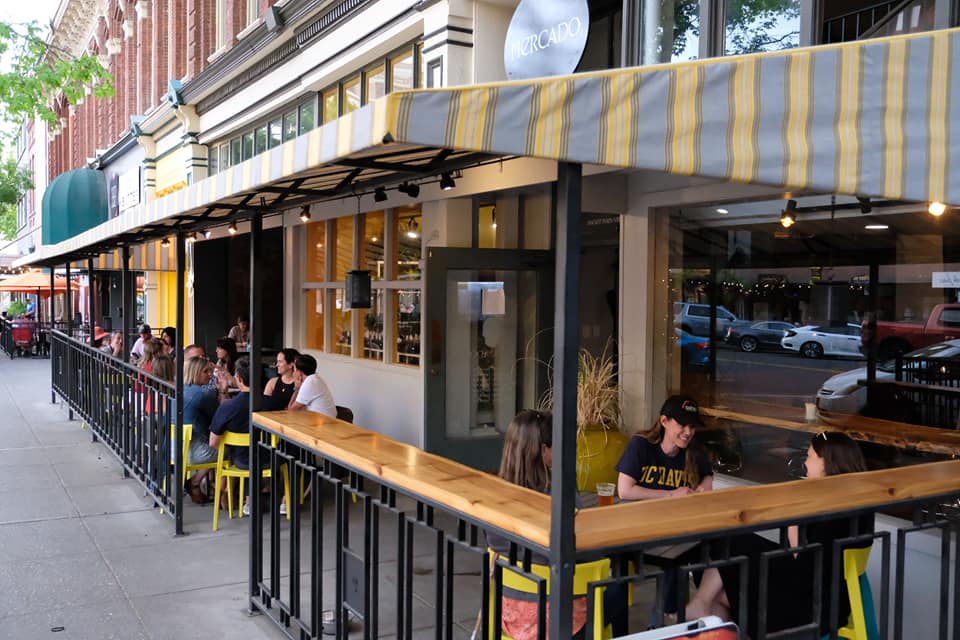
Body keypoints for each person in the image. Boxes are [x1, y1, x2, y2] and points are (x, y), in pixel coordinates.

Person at [686, 432, 872, 637]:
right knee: (730, 552)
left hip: (807, 610)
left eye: (809, 457)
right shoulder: (858, 501)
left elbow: (802, 565)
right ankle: (701, 603)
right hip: (835, 601)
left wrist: (794, 526)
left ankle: (700, 603)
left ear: (826, 462)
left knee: (728, 547)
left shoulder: (828, 508)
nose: (806, 464)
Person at [487, 410, 627, 640]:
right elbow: (582, 548)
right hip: (558, 620)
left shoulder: (493, 493)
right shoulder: (560, 493)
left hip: (509, 613)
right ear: (543, 450)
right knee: (619, 587)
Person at [615, 394, 713, 621]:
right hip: (636, 529)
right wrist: (670, 495)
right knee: (671, 558)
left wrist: (704, 488)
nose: (688, 432)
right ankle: (653, 625)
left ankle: (666, 624)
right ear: (664, 421)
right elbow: (624, 490)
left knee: (695, 553)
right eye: (682, 425)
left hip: (676, 533)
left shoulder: (694, 451)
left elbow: (707, 478)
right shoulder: (641, 445)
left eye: (692, 426)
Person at [182, 356, 222, 503]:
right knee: (231, 451)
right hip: (193, 452)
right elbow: (219, 417)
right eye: (206, 371)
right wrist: (223, 392)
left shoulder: (179, 389)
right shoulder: (201, 394)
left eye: (211, 371)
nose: (210, 374)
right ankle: (219, 491)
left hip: (175, 449)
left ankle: (206, 484)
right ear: (195, 372)